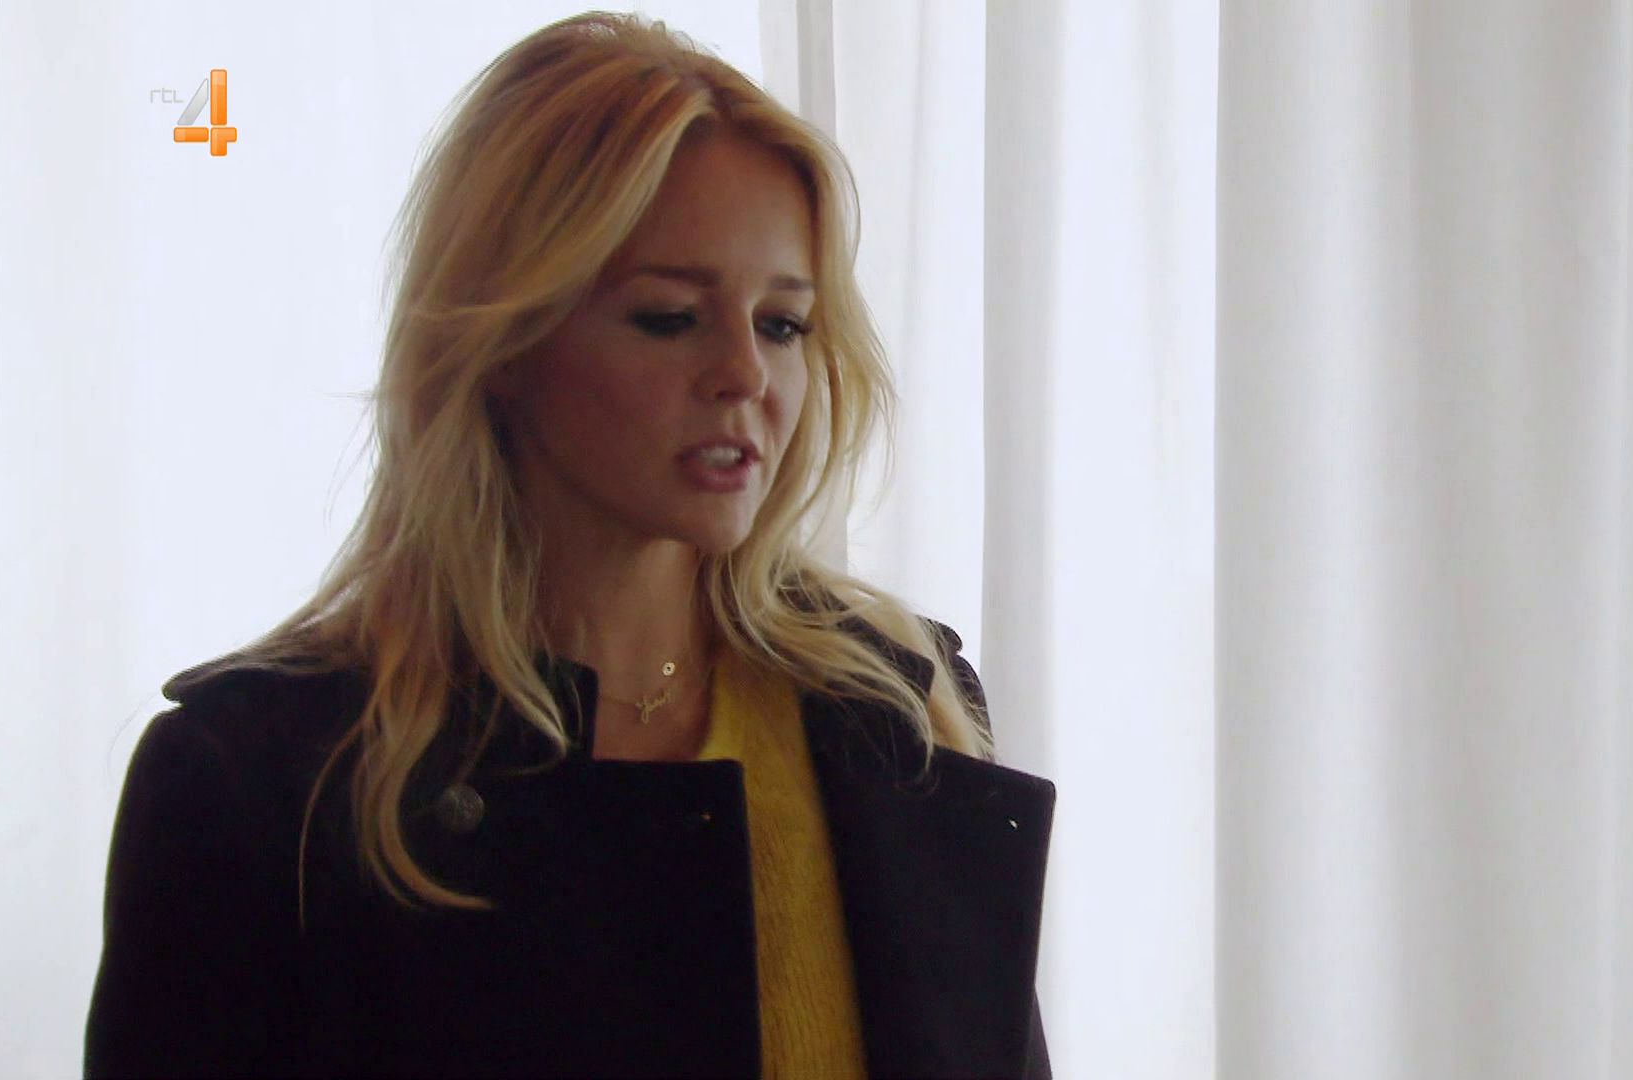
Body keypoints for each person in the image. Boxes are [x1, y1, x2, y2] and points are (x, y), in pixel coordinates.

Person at [82, 11, 1054, 1078]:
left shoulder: (901, 707)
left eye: (782, 323)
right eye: (669, 317)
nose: (744, 374)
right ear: (504, 338)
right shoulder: (263, 784)